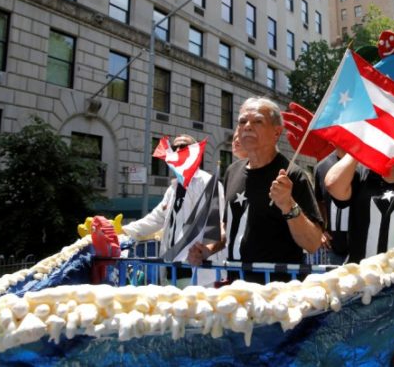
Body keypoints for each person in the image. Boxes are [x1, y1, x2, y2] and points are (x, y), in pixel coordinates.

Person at [188, 97, 323, 283]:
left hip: (278, 292)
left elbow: (313, 243)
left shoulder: (293, 176)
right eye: (242, 121)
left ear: (277, 132)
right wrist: (208, 249)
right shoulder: (232, 171)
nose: (247, 126)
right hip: (237, 287)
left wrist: (288, 205)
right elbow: (229, 226)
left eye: (258, 121)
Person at [122, 134, 225, 286]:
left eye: (183, 147)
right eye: (174, 147)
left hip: (199, 272)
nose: (177, 150)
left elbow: (217, 225)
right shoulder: (173, 188)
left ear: (195, 152)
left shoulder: (208, 183)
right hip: (172, 270)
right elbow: (155, 219)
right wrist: (121, 231)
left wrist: (205, 251)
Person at [314, 148, 350, 265]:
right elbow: (318, 202)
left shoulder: (367, 164)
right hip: (335, 250)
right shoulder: (321, 167)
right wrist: (321, 230)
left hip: (364, 251)